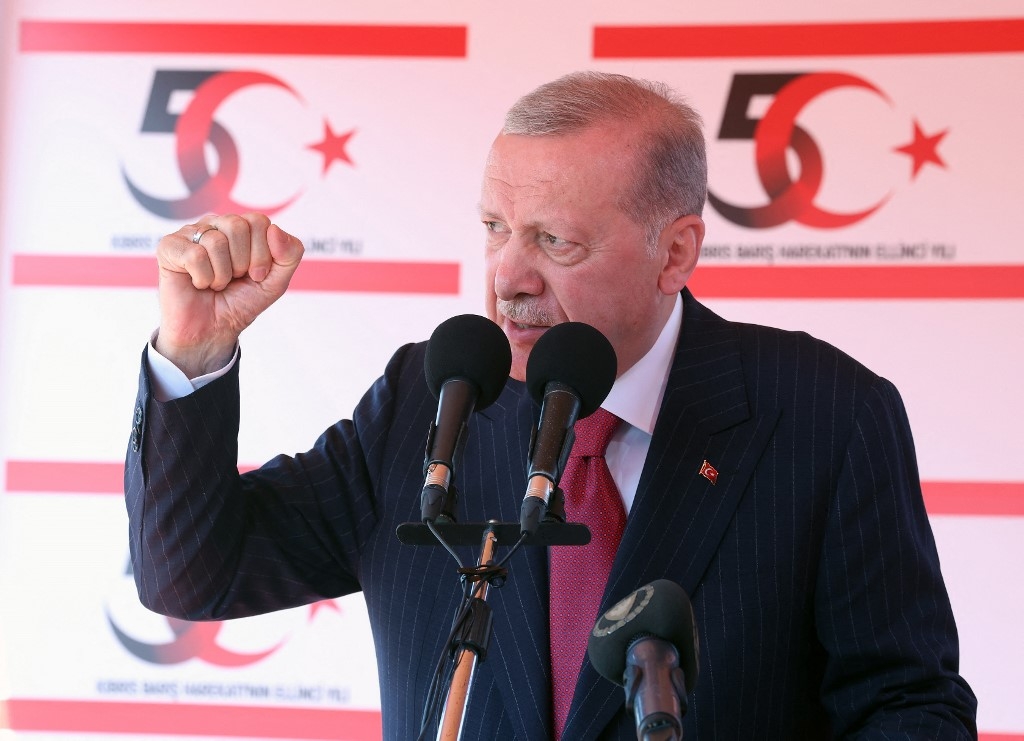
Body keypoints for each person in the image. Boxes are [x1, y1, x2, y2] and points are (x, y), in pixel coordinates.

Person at [125, 71, 977, 739]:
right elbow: (193, 571)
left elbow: (909, 705)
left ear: (674, 251)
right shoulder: (431, 399)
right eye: (495, 227)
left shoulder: (825, 415)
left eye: (554, 240)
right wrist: (194, 351)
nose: (507, 276)